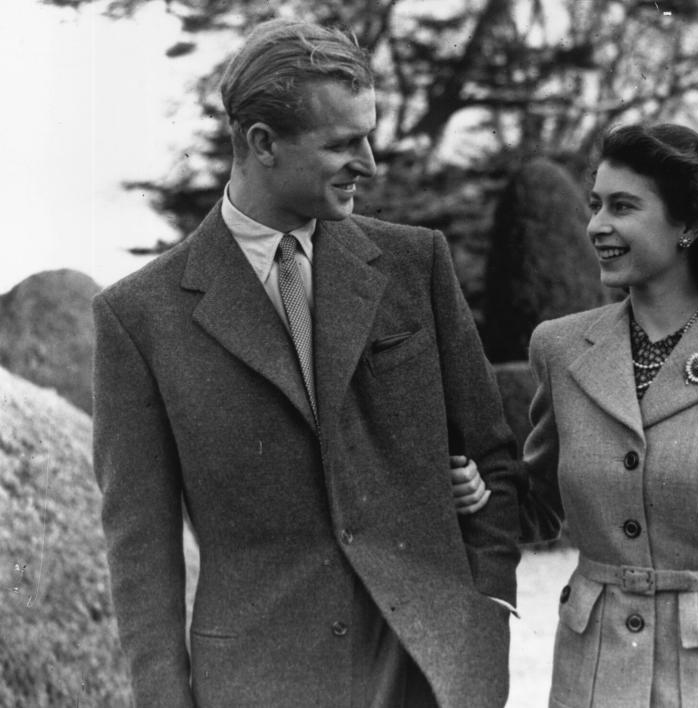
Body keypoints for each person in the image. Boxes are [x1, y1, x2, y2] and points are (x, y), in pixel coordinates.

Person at [93, 19, 520, 708]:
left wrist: (488, 614)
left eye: (370, 135)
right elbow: (141, 555)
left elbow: (492, 460)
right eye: (343, 144)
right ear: (262, 143)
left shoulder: (416, 264)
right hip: (260, 682)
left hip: (427, 676)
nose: (371, 164)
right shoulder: (139, 316)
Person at [456, 123, 698, 706]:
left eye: (623, 206)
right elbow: (538, 506)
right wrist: (481, 492)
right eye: (594, 206)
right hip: (592, 678)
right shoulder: (560, 349)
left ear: (688, 224)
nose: (596, 226)